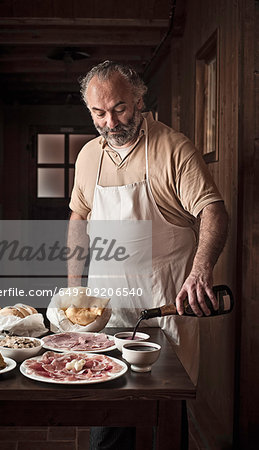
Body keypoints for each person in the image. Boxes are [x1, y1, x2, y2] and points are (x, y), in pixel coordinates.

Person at [67, 61, 228, 449]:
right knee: (107, 420)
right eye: (99, 113)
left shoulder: (173, 148)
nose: (110, 122)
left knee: (165, 421)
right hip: (106, 312)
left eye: (119, 108)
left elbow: (212, 209)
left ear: (139, 101)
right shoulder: (89, 155)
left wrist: (201, 270)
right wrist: (74, 289)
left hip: (165, 309)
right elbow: (78, 215)